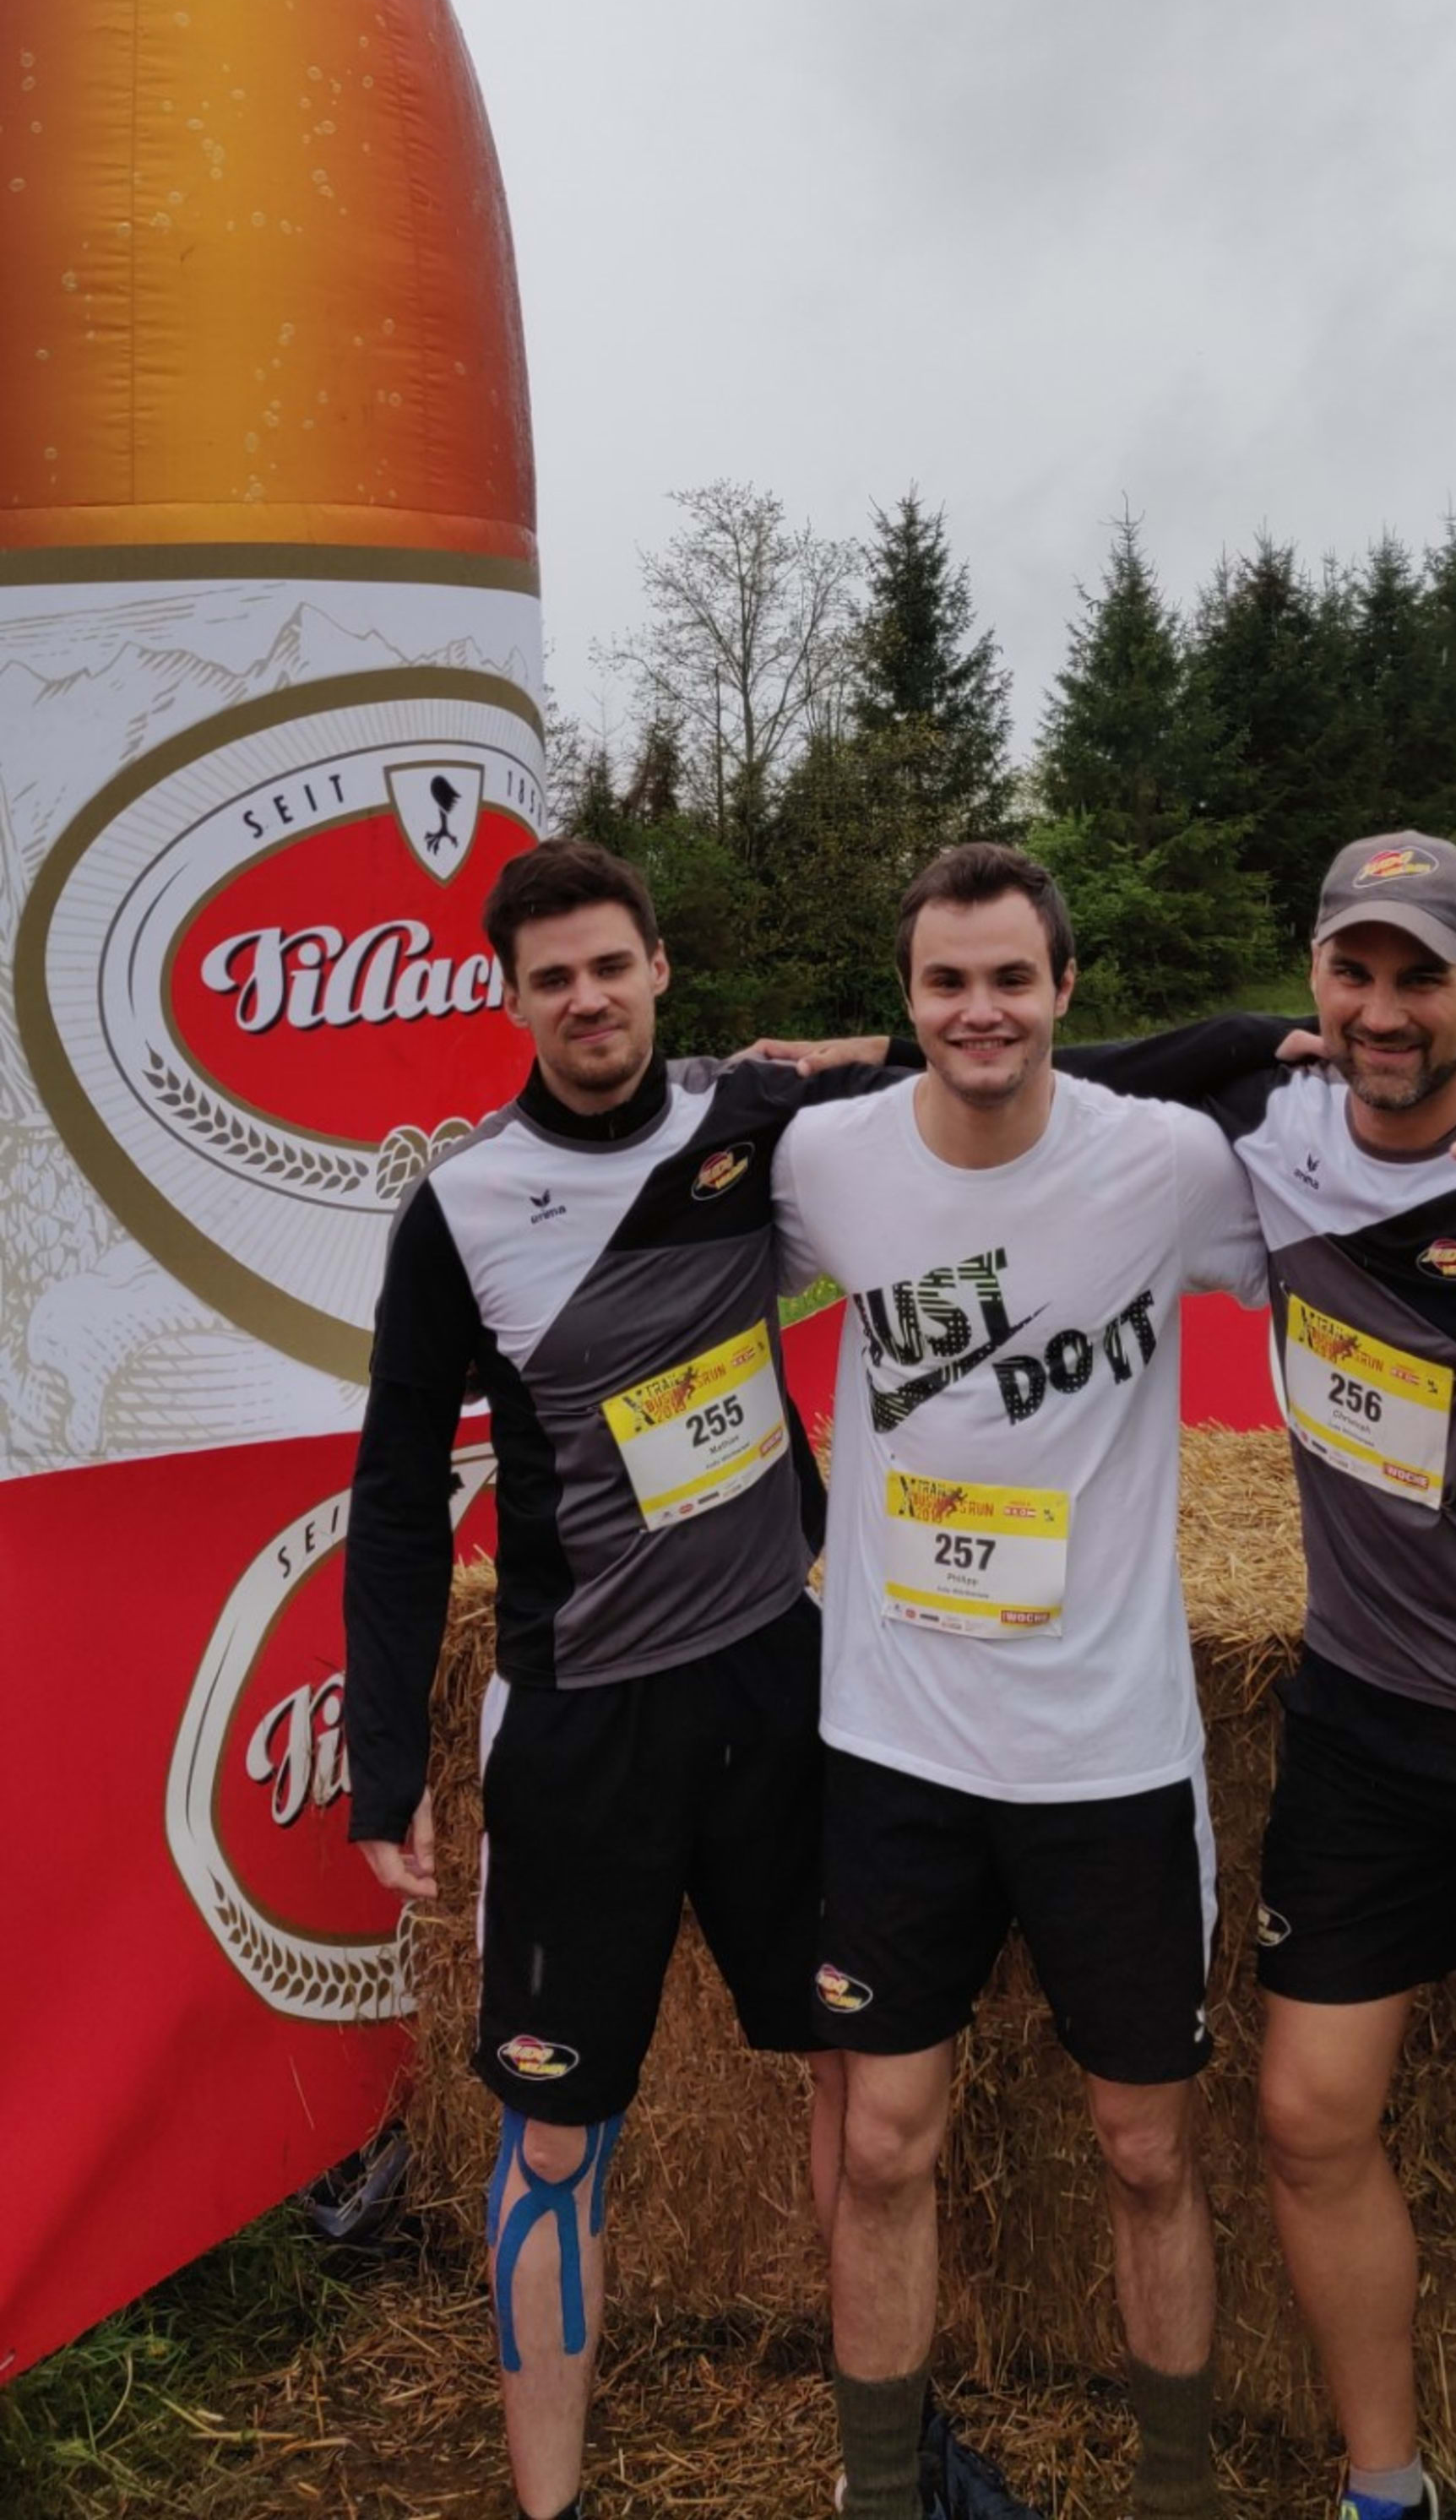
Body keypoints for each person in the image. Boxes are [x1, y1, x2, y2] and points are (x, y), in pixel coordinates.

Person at [1057, 828, 1456, 2520]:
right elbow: (1038, 1068)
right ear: (1315, 979)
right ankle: (1383, 2489)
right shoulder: (1271, 1124)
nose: (1385, 1009)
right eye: (1355, 970)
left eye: (1422, 974)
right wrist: (1226, 1037)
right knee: (1306, 2118)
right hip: (1366, 1719)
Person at [345, 838, 892, 2520]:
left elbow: (993, 1061)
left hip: (778, 1682)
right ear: (511, 998)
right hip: (584, 1719)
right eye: (551, 977)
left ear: (658, 966)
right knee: (555, 2132)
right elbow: (394, 1492)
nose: (586, 998)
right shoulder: (460, 1206)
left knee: (858, 2080)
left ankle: (885, 2470)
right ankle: (551, 2504)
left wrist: (1269, 1050)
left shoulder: (751, 1116)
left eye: (609, 964)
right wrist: (385, 1760)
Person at [769, 839, 1270, 2520]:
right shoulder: (826, 1160)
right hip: (896, 1740)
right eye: (946, 981)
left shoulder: (1168, 1163)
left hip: (1105, 1753)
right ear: (906, 999)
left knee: (1147, 2148)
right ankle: (879, 2490)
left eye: (1008, 978)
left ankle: (1176, 2490)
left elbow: (1349, 1242)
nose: (977, 1010)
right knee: (884, 2142)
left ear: (1064, 989)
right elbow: (671, 1270)